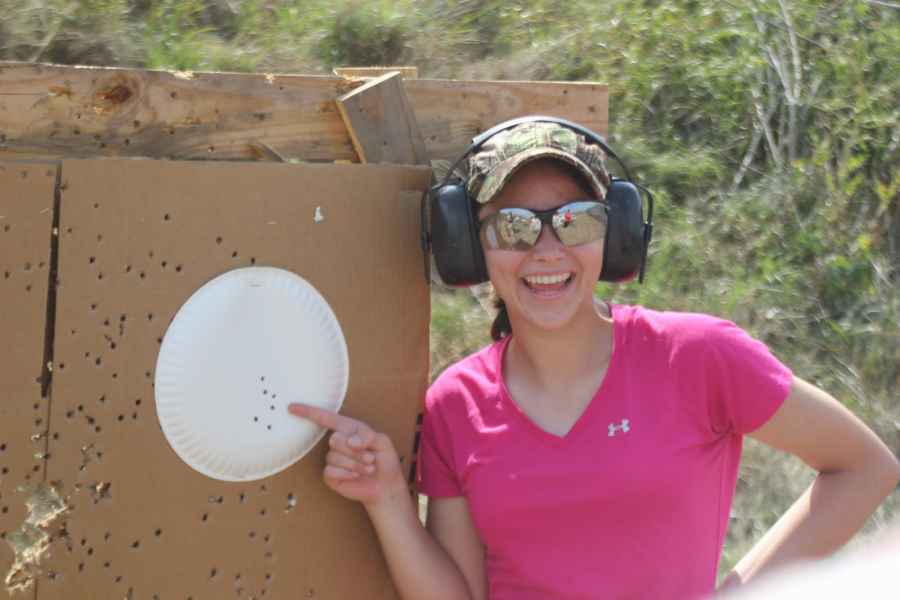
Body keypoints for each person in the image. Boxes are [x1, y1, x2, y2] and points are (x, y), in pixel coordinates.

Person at [288, 120, 900, 600]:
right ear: (469, 248)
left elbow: (864, 467)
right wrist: (388, 500)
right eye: (513, 227)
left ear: (617, 235)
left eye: (575, 222)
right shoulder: (455, 404)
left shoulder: (697, 356)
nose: (547, 250)